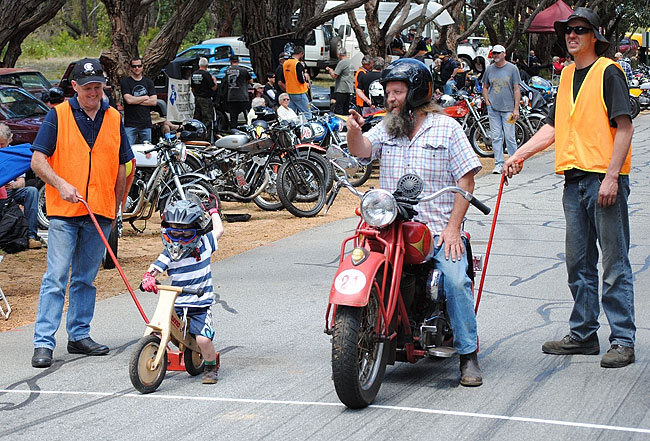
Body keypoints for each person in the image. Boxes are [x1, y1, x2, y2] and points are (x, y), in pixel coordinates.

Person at [504, 8, 636, 369]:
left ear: (595, 35)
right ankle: (584, 334)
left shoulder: (608, 71)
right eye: (567, 30)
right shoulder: (564, 77)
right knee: (578, 263)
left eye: (579, 30)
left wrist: (611, 176)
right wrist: (520, 155)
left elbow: (624, 128)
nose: (571, 35)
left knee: (613, 264)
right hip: (574, 182)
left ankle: (622, 339)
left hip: (602, 180)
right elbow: (553, 127)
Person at [345, 58, 483, 387]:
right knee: (359, 260)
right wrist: (353, 132)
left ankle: (468, 354)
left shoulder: (446, 128)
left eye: (397, 92)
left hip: (435, 231)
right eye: (388, 92)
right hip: (392, 229)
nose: (390, 98)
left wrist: (453, 228)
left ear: (417, 92)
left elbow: (467, 182)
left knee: (454, 281)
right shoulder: (387, 126)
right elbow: (362, 151)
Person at [29, 58, 134, 368]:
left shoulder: (114, 118)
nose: (93, 92)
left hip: (100, 210)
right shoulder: (57, 115)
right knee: (57, 277)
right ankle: (43, 342)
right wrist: (60, 184)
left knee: (86, 279)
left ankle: (79, 336)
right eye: (87, 87)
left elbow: (124, 166)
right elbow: (38, 161)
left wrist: (116, 207)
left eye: (98, 87)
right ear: (74, 87)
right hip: (64, 210)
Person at [141, 197, 224, 384]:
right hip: (177, 304)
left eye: (186, 235)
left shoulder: (205, 244)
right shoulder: (170, 252)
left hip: (199, 305)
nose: (179, 240)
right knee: (160, 331)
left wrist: (213, 212)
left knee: (203, 340)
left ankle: (210, 366)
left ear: (197, 232)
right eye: (174, 234)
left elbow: (219, 230)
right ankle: (155, 353)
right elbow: (156, 267)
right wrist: (148, 277)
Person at [0, 124, 43, 249]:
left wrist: (13, 185)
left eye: (2, 144)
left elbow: (22, 182)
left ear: (10, 139)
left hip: (9, 191)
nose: (0, 147)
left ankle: (31, 236)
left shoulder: (16, 154)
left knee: (31, 191)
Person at [482, 44, 521, 174]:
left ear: (504, 54)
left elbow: (516, 88)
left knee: (510, 136)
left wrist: (516, 108)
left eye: (498, 53)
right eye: (494, 53)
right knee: (496, 136)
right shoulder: (489, 69)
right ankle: (499, 163)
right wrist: (487, 101)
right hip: (493, 109)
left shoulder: (512, 69)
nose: (496, 56)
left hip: (509, 109)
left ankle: (514, 161)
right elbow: (485, 86)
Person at [120, 57, 157, 145]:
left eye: (139, 66)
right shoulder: (125, 82)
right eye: (134, 66)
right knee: (128, 150)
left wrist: (135, 100)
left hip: (146, 124)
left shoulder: (148, 82)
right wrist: (145, 97)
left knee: (146, 152)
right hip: (130, 124)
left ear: (142, 67)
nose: (137, 68)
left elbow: (154, 102)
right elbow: (129, 100)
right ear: (130, 68)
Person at [283, 47, 312, 119]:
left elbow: (284, 78)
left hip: (289, 91)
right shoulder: (298, 64)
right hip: (299, 91)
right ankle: (308, 128)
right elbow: (301, 79)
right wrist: (305, 78)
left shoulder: (285, 63)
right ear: (301, 54)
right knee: (307, 113)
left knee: (292, 114)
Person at [225, 55, 253, 129]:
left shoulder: (227, 71)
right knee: (248, 117)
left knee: (233, 118)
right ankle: (250, 131)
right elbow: (251, 81)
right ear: (238, 61)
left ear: (230, 62)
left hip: (231, 97)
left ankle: (234, 132)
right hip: (243, 97)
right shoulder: (243, 70)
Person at [191, 57, 217, 136]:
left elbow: (192, 88)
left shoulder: (194, 74)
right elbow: (213, 87)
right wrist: (215, 81)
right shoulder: (206, 74)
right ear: (207, 65)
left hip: (197, 98)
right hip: (205, 99)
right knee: (207, 118)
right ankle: (206, 135)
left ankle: (195, 134)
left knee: (197, 117)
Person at [326, 48, 354, 115]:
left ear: (339, 54)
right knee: (346, 107)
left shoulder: (342, 62)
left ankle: (340, 121)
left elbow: (335, 76)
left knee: (339, 107)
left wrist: (330, 71)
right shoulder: (350, 62)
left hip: (342, 88)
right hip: (349, 88)